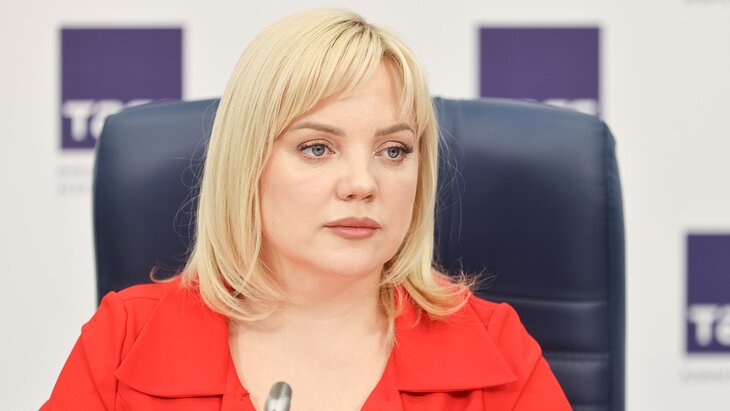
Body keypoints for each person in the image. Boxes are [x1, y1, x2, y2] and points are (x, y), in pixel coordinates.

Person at [42, 9, 571, 411]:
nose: (362, 184)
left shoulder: (496, 346)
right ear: (247, 164)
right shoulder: (125, 337)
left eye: (394, 151)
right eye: (317, 148)